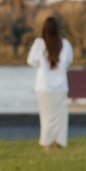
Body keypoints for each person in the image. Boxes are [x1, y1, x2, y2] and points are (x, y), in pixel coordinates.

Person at [29, 15, 73, 150]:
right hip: (60, 87)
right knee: (60, 117)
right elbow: (68, 62)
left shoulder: (39, 44)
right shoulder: (65, 44)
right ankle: (58, 143)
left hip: (44, 86)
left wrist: (42, 65)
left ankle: (46, 145)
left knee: (46, 117)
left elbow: (31, 61)